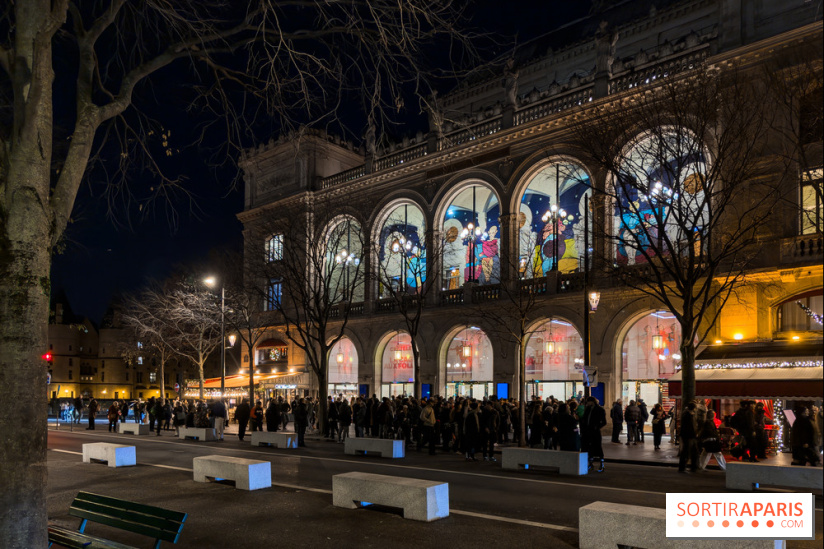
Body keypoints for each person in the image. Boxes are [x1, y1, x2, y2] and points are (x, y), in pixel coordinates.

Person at [582, 397, 606, 472]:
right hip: (588, 431)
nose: (587, 403)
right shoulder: (588, 409)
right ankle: (591, 464)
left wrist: (597, 427)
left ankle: (601, 464)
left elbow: (604, 422)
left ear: (592, 402)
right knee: (589, 447)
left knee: (598, 447)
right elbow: (584, 419)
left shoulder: (600, 409)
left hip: (595, 431)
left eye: (588, 402)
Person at [678, 402, 699, 473]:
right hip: (688, 436)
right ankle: (683, 468)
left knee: (693, 452)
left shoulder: (689, 414)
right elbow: (688, 427)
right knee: (686, 451)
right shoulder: (687, 415)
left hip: (691, 436)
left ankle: (693, 467)